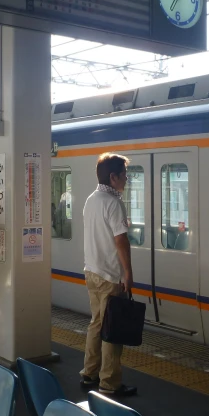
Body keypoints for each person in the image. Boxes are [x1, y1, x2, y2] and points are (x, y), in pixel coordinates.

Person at [80, 152, 136, 397]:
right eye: (124, 175)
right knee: (112, 329)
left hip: (91, 271)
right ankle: (110, 383)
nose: (126, 180)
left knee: (96, 324)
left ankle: (89, 373)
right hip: (110, 275)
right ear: (113, 177)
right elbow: (121, 240)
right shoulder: (113, 203)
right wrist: (128, 273)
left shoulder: (91, 199)